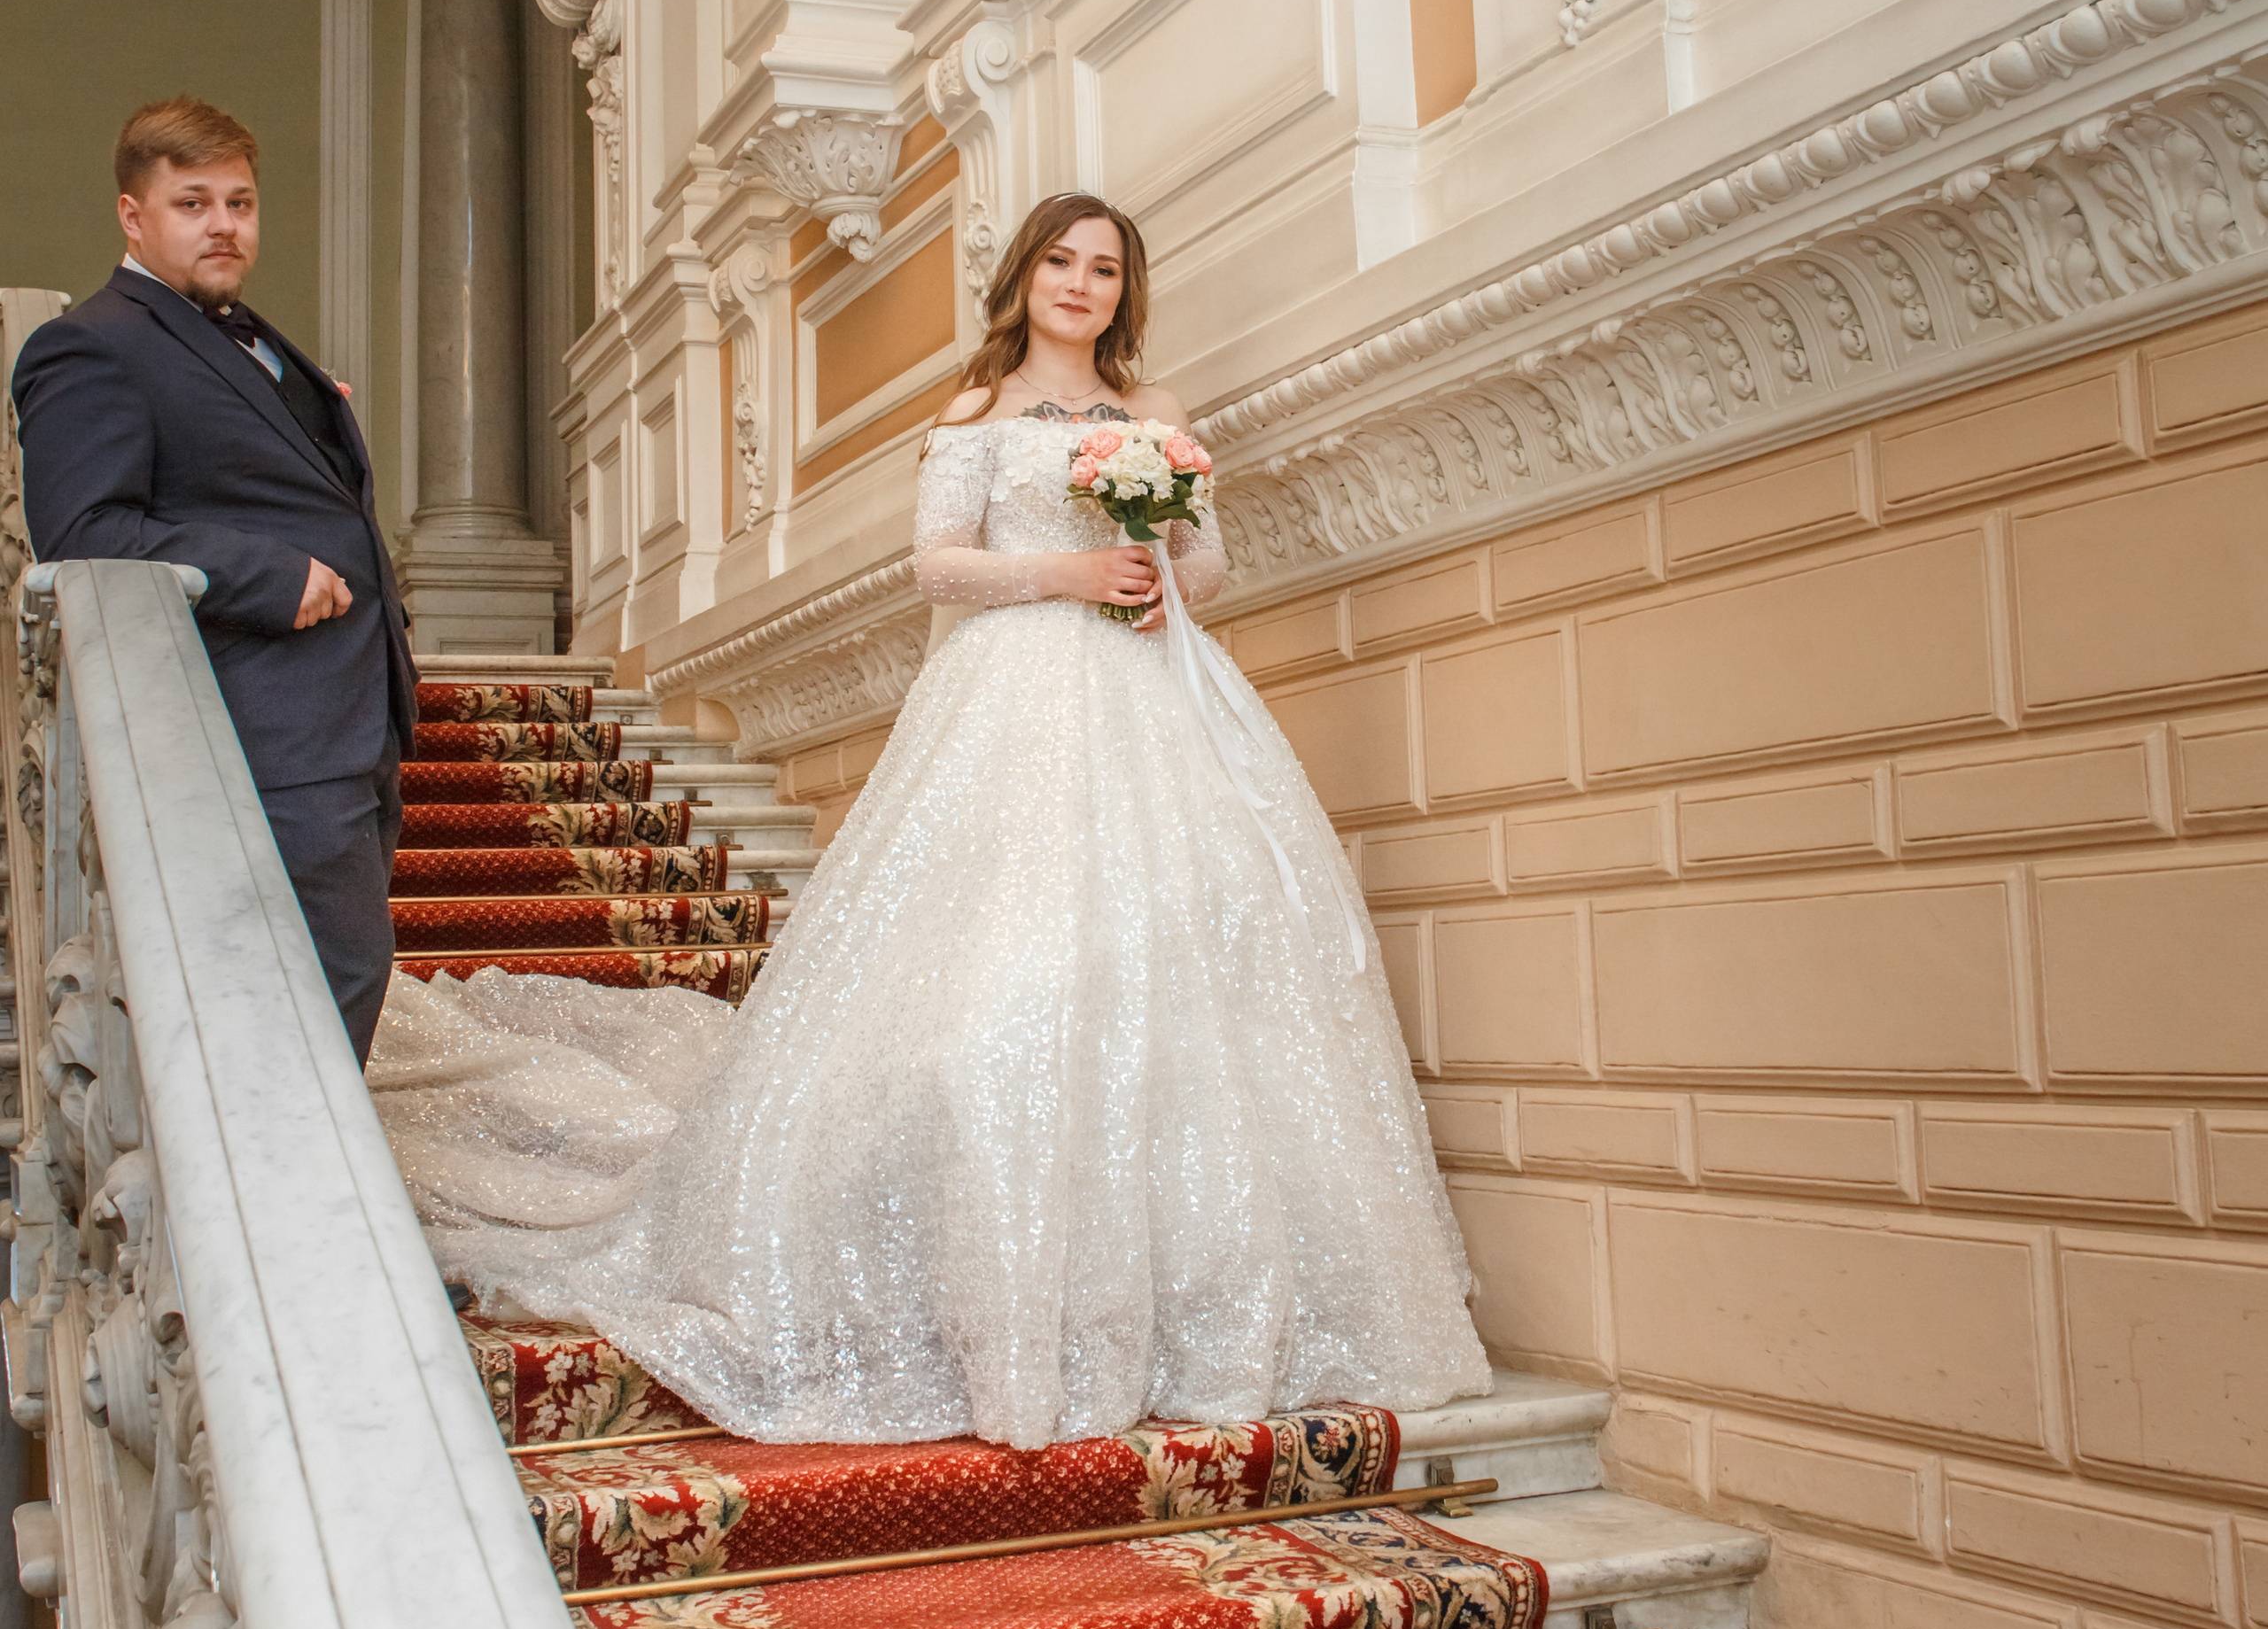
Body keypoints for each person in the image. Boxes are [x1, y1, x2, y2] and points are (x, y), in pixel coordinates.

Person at [373, 193, 1487, 1447]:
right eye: (1062, 262)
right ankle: (1004, 1296)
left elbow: (1211, 565)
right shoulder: (975, 412)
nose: (1082, 283)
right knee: (1003, 987)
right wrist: (1069, 571)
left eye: (1105, 268)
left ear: (1127, 290)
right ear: (1024, 279)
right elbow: (938, 566)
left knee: (1189, 971)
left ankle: (1187, 1306)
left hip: (1148, 696)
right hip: (1013, 695)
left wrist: (1158, 563)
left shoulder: (1159, 417)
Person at [12, 98, 416, 1065]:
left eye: (239, 200)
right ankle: (283, 1214)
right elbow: (85, 532)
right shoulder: (93, 344)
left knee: (341, 970)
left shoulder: (246, 335)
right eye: (192, 202)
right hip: (258, 716)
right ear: (132, 214)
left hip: (349, 708)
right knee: (328, 974)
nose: (224, 223)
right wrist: (267, 574)